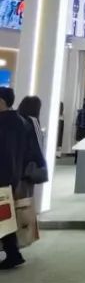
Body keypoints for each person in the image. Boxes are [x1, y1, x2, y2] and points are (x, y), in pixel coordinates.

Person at [0, 87, 46, 270]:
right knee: (4, 217)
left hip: (5, 176)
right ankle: (13, 253)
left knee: (4, 217)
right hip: (12, 176)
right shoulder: (20, 121)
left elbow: (7, 153)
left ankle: (13, 253)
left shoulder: (7, 123)